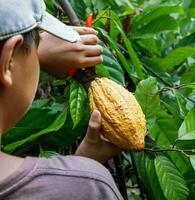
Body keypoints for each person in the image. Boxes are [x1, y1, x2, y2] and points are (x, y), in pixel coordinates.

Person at [0, 0, 123, 199]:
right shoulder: (89, 187)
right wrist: (82, 175)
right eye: (36, 40)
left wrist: (79, 166)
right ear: (8, 62)